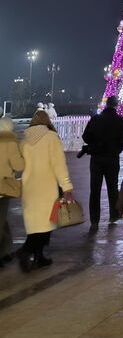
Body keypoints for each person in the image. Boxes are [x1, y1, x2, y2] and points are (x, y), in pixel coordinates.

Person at [19, 110, 74, 271]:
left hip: (29, 186)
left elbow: (22, 165)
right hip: (47, 186)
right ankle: (26, 251)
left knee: (35, 224)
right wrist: (66, 186)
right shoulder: (51, 138)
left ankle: (39, 256)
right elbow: (59, 165)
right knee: (46, 223)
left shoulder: (25, 140)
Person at [82, 95, 123, 232]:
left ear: (106, 104)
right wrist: (115, 151)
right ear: (116, 105)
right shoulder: (120, 120)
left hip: (96, 158)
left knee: (95, 190)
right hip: (112, 159)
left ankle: (94, 220)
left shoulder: (96, 119)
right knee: (112, 187)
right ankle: (113, 215)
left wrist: (94, 145)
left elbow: (85, 136)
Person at [0, 117, 25, 268]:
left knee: (3, 220)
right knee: (1, 219)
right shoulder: (10, 142)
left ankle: (6, 250)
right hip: (3, 187)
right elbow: (19, 165)